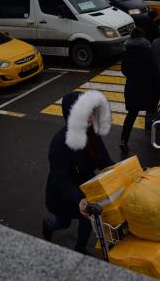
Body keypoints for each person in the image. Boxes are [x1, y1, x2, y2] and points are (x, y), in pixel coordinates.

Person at [43, 90, 115, 255]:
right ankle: (47, 226)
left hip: (86, 189)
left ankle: (80, 248)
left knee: (88, 221)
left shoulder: (92, 132)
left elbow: (104, 160)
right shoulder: (59, 142)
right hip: (64, 195)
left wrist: (122, 171)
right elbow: (61, 179)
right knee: (63, 223)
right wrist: (78, 199)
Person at [120, 27, 160, 154]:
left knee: (131, 114)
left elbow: (124, 71)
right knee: (151, 112)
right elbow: (155, 71)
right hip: (148, 88)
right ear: (143, 37)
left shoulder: (127, 52)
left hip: (132, 87)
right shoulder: (148, 51)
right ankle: (152, 139)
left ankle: (123, 140)